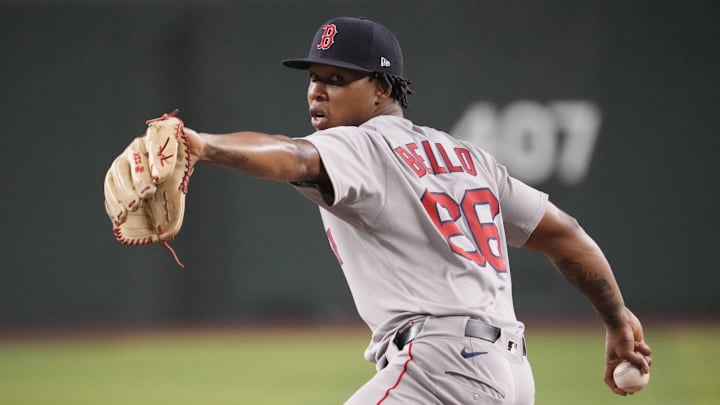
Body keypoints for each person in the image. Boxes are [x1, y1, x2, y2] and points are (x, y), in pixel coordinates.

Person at [180, 16, 651, 404]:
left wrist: (203, 145)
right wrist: (616, 318)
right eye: (314, 78)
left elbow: (291, 155)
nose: (317, 91)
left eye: (337, 79)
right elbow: (565, 234)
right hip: (511, 374)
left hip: (442, 368)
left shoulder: (362, 144)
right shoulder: (470, 158)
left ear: (383, 88)